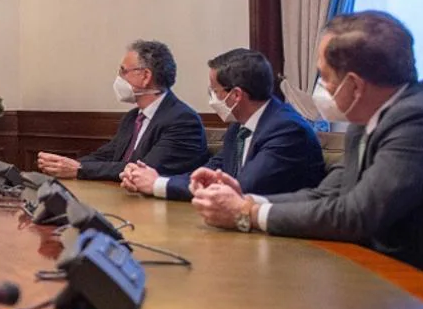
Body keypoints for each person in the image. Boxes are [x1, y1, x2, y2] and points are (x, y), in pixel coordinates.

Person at [192, 11, 423, 288]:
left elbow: (356, 215)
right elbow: (327, 194)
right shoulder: (366, 118)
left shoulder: (422, 119)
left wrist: (246, 215)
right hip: (380, 278)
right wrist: (249, 200)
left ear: (355, 85)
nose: (321, 88)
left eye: (324, 76)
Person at [121, 48, 324, 200]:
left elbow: (241, 186)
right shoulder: (239, 127)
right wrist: (151, 179)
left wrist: (157, 184)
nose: (212, 98)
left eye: (215, 91)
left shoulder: (287, 129)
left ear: (236, 95)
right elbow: (208, 172)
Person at [37, 40, 208, 181]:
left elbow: (143, 169)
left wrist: (79, 169)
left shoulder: (182, 120)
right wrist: (63, 165)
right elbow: (106, 156)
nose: (119, 78)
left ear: (146, 76)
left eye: (123, 71)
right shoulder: (133, 117)